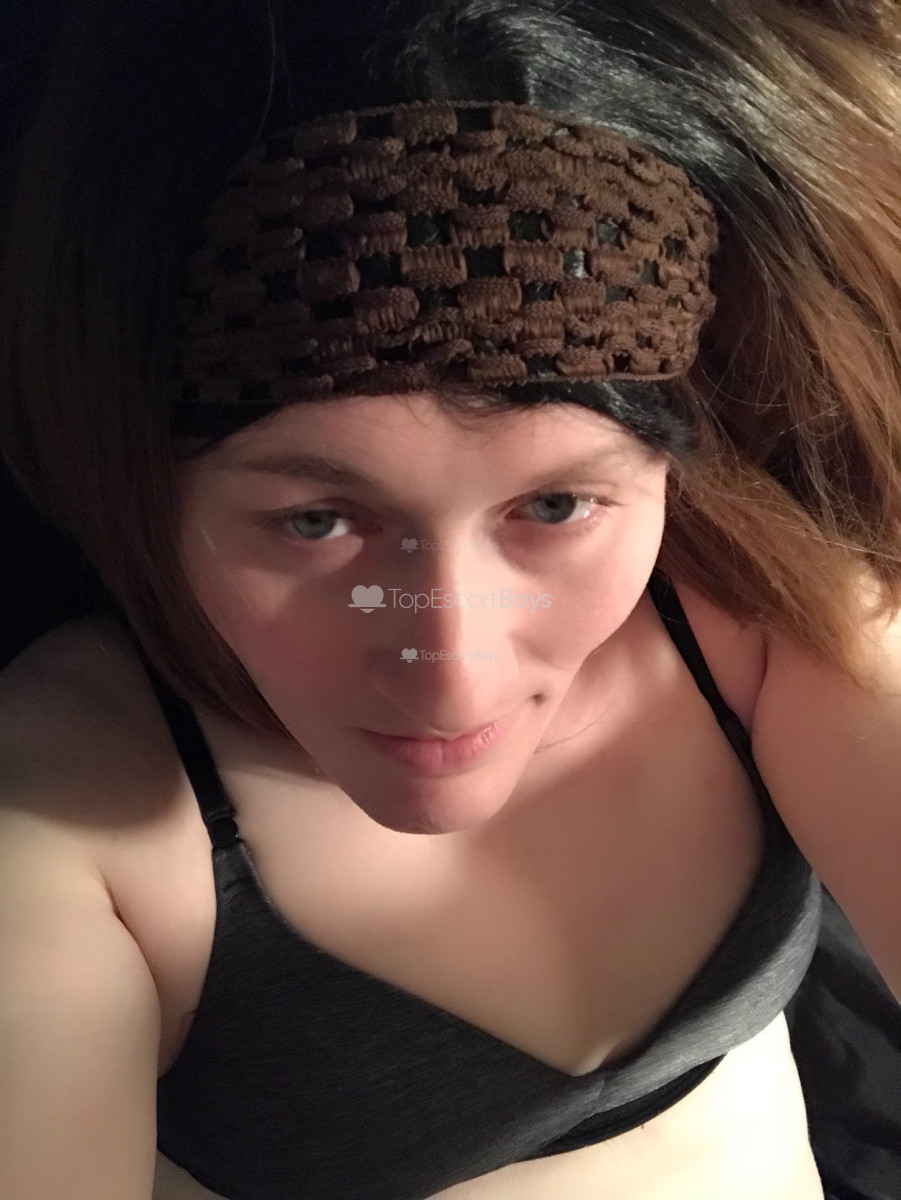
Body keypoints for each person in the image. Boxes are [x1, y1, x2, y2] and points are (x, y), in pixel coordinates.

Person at [0, 1, 899, 1198]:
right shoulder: (71, 814)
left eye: (556, 507)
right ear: (144, 484)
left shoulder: (760, 622)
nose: (453, 674)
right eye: (316, 522)